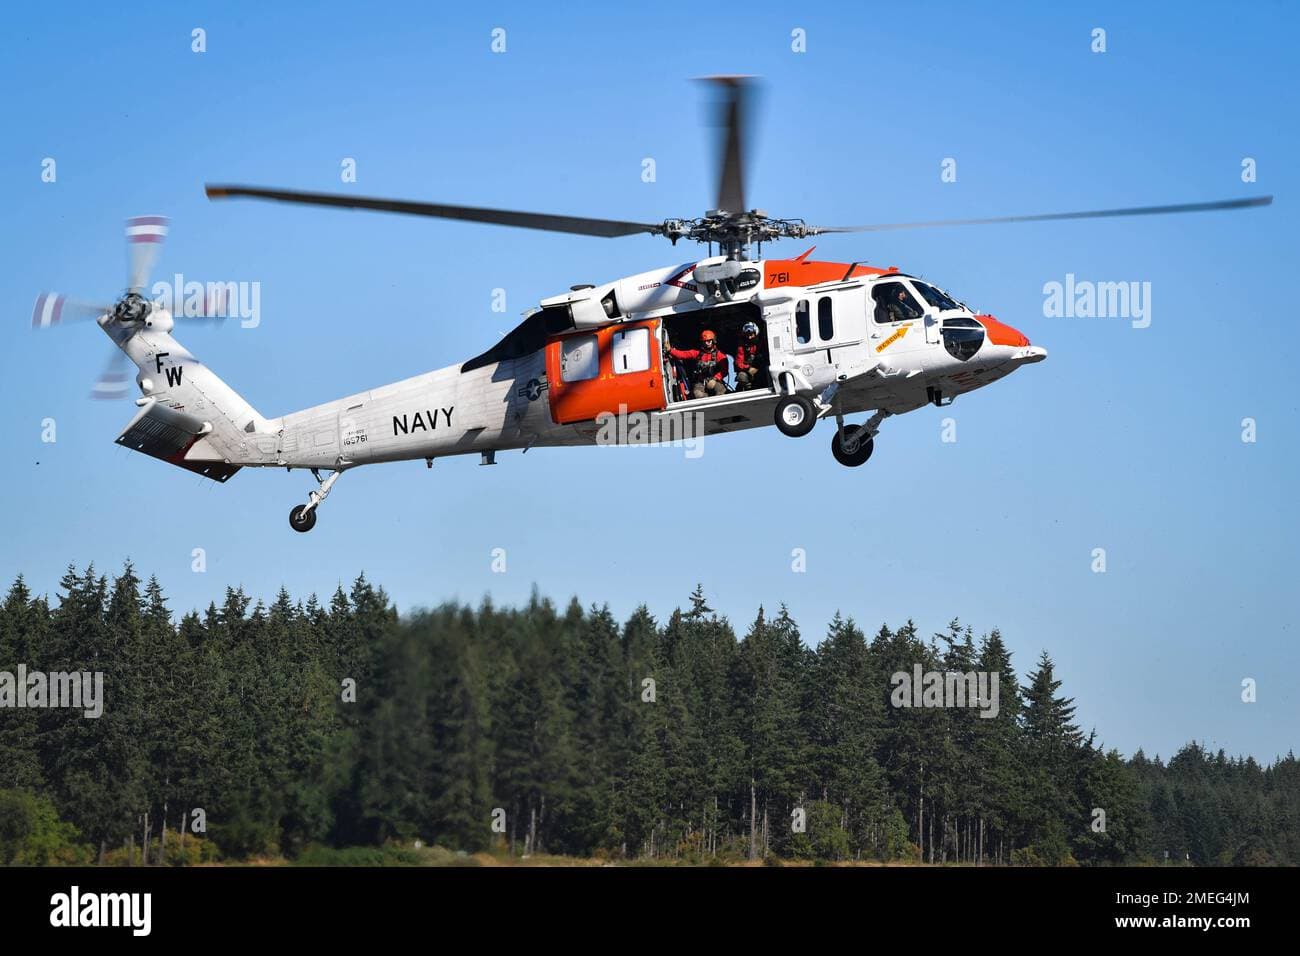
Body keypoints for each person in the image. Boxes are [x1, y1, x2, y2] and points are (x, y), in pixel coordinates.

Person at [667, 329, 729, 399]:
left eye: (709, 341)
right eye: (705, 341)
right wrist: (670, 350)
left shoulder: (720, 355)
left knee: (721, 391)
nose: (707, 343)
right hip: (700, 382)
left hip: (715, 381)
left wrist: (715, 379)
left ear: (713, 340)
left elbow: (724, 371)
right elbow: (682, 354)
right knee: (697, 394)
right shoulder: (697, 353)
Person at [734, 321, 768, 391]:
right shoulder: (742, 347)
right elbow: (738, 362)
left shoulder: (763, 344)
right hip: (748, 371)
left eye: (751, 334)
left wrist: (758, 369)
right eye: (747, 335)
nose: (749, 337)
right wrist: (748, 368)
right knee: (741, 376)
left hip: (761, 369)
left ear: (756, 333)